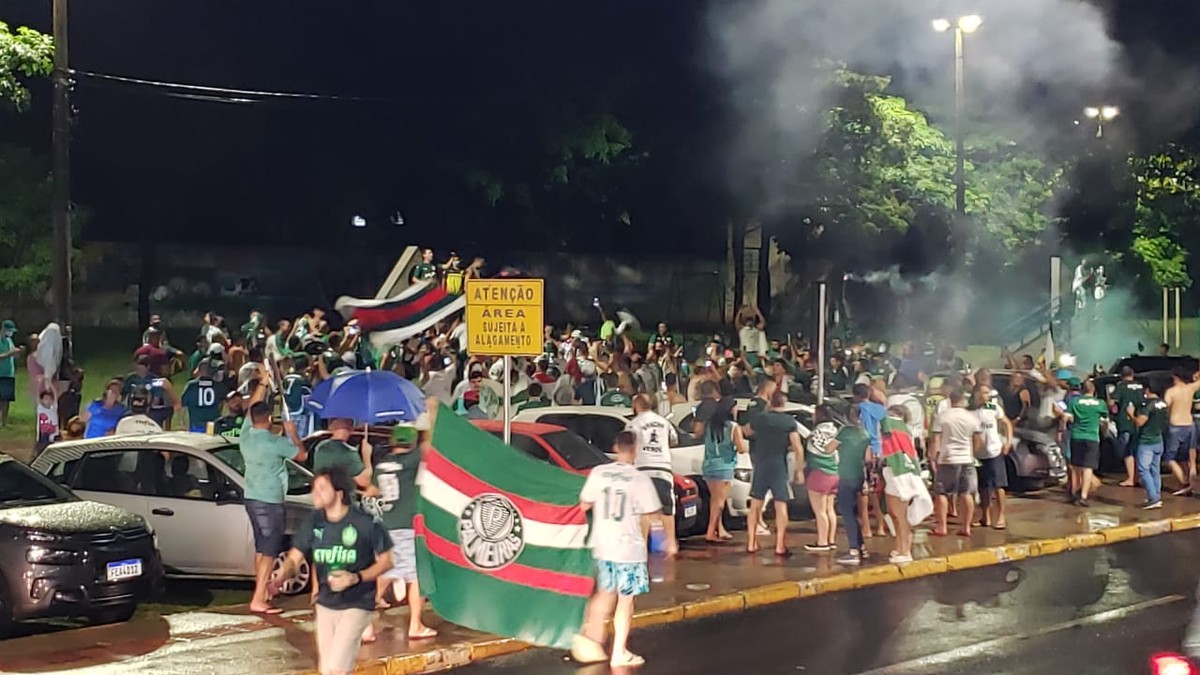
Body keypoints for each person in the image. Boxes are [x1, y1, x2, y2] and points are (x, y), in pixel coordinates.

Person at [271, 467, 392, 675]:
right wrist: (280, 577)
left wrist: (355, 578)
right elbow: (294, 557)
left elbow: (387, 561)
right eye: (314, 488)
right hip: (326, 603)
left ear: (339, 493)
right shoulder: (313, 521)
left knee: (337, 667)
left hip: (358, 602)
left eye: (322, 488)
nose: (315, 493)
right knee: (326, 669)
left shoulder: (365, 521)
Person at [573, 430, 662, 668]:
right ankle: (619, 652)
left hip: (603, 545)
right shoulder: (640, 479)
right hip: (628, 549)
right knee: (625, 600)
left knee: (605, 591)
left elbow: (584, 504)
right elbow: (651, 513)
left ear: (615, 447)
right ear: (635, 450)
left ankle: (591, 636)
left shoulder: (599, 473)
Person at [363, 425, 437, 639]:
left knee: (383, 573)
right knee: (416, 578)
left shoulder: (382, 463)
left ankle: (365, 626)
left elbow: (371, 493)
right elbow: (428, 448)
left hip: (385, 526)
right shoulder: (413, 461)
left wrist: (367, 458)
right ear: (411, 442)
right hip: (407, 526)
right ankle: (415, 625)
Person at [242, 381, 308, 614]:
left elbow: (251, 407)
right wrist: (293, 434)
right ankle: (259, 598)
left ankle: (262, 592)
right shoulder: (275, 442)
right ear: (269, 418)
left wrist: (262, 383)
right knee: (270, 552)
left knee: (261, 549)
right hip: (270, 501)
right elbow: (301, 455)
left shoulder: (246, 435)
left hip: (251, 498)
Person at [745, 389, 803, 556]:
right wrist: (799, 470)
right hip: (779, 466)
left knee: (755, 504)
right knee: (780, 505)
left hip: (761, 464)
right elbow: (797, 447)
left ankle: (751, 543)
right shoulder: (788, 422)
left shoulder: (761, 419)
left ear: (770, 401)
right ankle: (779, 545)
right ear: (784, 403)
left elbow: (747, 431)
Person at [627, 394, 679, 557]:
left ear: (636, 405)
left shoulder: (633, 424)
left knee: (643, 510)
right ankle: (671, 542)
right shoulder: (665, 422)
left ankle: (642, 544)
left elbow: (628, 445)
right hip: (662, 469)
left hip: (642, 469)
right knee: (667, 508)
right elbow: (674, 440)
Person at [693, 381, 746, 543]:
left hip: (709, 465)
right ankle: (710, 532)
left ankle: (720, 529)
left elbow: (696, 433)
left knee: (715, 500)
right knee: (719, 502)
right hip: (725, 466)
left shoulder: (709, 425)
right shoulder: (733, 427)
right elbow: (742, 448)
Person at [929, 387, 982, 536]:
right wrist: (972, 453)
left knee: (942, 492)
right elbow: (979, 440)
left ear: (950, 400)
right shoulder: (972, 417)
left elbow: (936, 440)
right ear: (963, 401)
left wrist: (932, 457)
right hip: (967, 459)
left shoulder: (942, 417)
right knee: (966, 493)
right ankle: (966, 527)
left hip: (947, 458)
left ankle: (942, 526)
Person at [835, 404, 871, 565]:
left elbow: (828, 449)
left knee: (847, 514)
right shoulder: (865, 434)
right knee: (854, 512)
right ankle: (861, 547)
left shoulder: (844, 432)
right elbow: (868, 459)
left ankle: (853, 551)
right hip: (859, 475)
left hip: (846, 475)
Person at [974, 383, 1013, 529]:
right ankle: (986, 516)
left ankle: (1001, 515)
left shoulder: (993, 408)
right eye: (984, 393)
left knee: (999, 485)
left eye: (988, 393)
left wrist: (1007, 442)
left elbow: (1006, 423)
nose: (987, 396)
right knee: (983, 486)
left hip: (994, 451)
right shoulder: (971, 411)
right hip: (978, 453)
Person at [1064, 379, 1107, 507]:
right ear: (1093, 391)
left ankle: (1074, 492)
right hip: (1092, 438)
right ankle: (1083, 496)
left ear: (1082, 390)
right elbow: (1104, 420)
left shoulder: (1074, 401)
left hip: (1076, 436)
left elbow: (1067, 418)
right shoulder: (1100, 403)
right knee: (1088, 468)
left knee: (1076, 466)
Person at [804, 405, 840, 552]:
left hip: (819, 474)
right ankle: (831, 540)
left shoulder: (815, 434)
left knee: (820, 511)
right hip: (834, 473)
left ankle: (822, 542)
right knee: (830, 509)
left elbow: (811, 453)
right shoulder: (835, 432)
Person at [1163, 367, 1200, 496]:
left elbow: (1164, 407)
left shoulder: (1171, 392)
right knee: (1184, 458)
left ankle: (1184, 481)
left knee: (1170, 458)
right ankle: (1189, 484)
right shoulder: (1190, 388)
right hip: (1189, 425)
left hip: (1176, 426)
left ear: (1175, 377)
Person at [1135, 380, 1169, 509]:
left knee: (1143, 469)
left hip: (1147, 441)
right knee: (1155, 469)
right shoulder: (1163, 403)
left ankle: (1153, 498)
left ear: (1148, 390)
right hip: (1158, 440)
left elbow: (1140, 422)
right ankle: (1156, 495)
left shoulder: (1148, 405)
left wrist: (1130, 414)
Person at [1108, 366, 1145, 488]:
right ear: (1132, 374)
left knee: (1127, 451)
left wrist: (1113, 409)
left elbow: (1112, 402)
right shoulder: (1140, 386)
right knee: (1137, 450)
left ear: (1121, 375)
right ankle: (1139, 477)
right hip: (1140, 421)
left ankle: (1130, 478)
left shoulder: (1121, 386)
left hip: (1125, 422)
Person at [313, 418, 373, 491]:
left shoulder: (320, 447)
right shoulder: (349, 454)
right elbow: (364, 481)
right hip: (342, 498)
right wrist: (366, 456)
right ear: (351, 429)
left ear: (331, 427)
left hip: (321, 494)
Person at [181, 360, 224, 433]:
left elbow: (183, 405)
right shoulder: (218, 386)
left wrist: (183, 423)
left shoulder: (191, 386)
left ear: (199, 370)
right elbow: (222, 403)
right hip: (214, 425)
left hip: (196, 425)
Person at [0, 320, 21, 427]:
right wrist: (10, 353)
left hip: (9, 373)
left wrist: (18, 352)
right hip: (0, 373)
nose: (10, 333)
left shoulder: (9, 341)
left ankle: (4, 422)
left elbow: (13, 355)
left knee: (7, 399)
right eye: (9, 331)